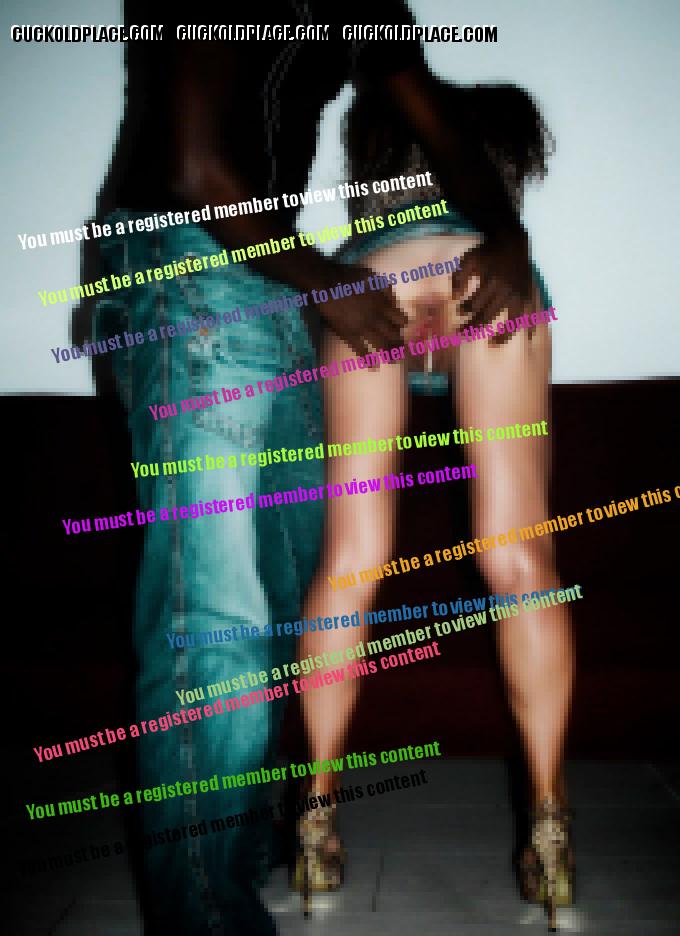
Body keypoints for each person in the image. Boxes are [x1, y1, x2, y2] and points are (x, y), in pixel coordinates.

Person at [72, 4, 543, 933]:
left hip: (274, 277)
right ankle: (206, 915)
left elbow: (434, 112)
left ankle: (233, 860)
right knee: (217, 618)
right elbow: (196, 174)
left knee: (291, 594)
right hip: (186, 259)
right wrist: (328, 282)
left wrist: (507, 233)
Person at [294, 76, 574, 932]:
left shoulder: (383, 126)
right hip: (484, 271)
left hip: (374, 275)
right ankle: (551, 825)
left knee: (351, 559)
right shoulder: (496, 156)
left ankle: (317, 819)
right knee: (520, 555)